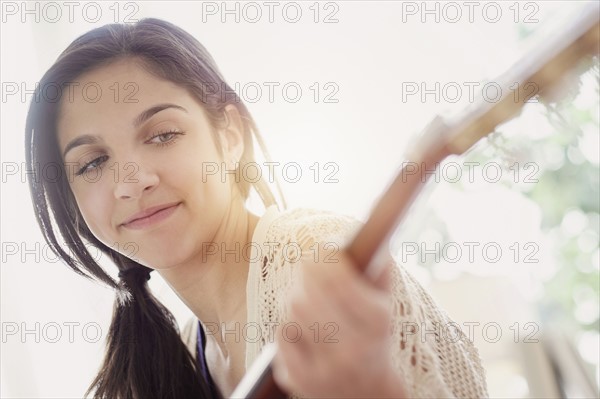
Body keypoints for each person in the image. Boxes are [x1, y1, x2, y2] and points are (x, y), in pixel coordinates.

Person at [25, 18, 488, 398]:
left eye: (162, 135)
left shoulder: (313, 261)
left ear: (229, 135)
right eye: (92, 163)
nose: (131, 183)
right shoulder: (184, 350)